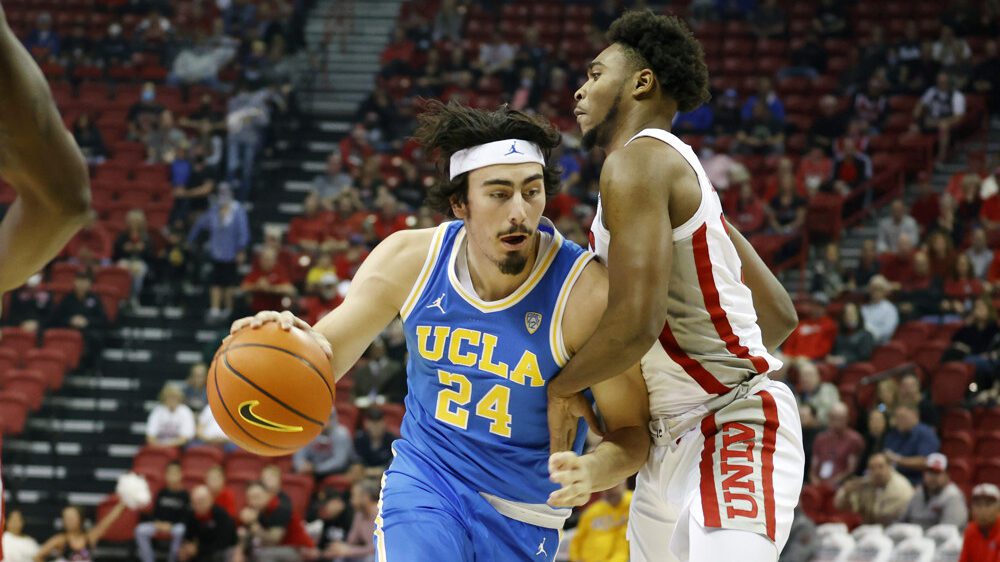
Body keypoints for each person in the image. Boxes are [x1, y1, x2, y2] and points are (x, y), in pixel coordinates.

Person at [230, 101, 652, 561]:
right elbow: (327, 349)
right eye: (498, 193)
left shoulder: (585, 295)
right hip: (427, 480)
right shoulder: (409, 261)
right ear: (459, 203)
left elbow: (631, 432)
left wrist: (593, 471)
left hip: (526, 513)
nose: (519, 212)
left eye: (531, 192)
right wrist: (288, 341)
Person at [548, 11, 803, 562]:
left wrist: (563, 385)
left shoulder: (636, 162)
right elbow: (779, 317)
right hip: (667, 446)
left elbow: (637, 321)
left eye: (595, 75)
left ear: (642, 82)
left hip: (728, 426)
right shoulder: (683, 179)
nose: (579, 89)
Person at [187, 185, 250, 320]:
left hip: (231, 253)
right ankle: (215, 308)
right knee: (216, 281)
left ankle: (228, 309)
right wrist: (190, 239)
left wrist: (241, 249)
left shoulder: (238, 210)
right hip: (217, 252)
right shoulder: (214, 210)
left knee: (229, 282)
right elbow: (200, 223)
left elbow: (243, 232)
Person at [233, 481, 314, 562]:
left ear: (268, 495)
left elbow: (273, 540)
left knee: (263, 555)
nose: (253, 502)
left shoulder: (280, 508)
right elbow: (244, 535)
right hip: (278, 548)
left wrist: (253, 524)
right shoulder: (257, 511)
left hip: (299, 549)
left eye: (257, 497)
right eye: (249, 498)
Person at [834, 453, 914, 525]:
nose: (877, 472)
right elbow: (841, 506)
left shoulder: (900, 487)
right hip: (872, 530)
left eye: (881, 467)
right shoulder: (866, 483)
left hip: (895, 529)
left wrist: (863, 510)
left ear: (890, 467)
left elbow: (882, 518)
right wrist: (848, 493)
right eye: (872, 468)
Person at [34, 502, 130, 561]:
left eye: (72, 518)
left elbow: (107, 521)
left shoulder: (90, 538)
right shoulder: (60, 540)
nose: (69, 521)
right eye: (66, 518)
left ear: (80, 519)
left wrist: (122, 504)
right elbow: (38, 557)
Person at [136, 462, 190, 562]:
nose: (172, 476)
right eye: (170, 473)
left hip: (175, 526)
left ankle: (172, 559)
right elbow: (155, 512)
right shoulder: (161, 492)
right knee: (140, 530)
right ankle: (148, 559)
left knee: (180, 530)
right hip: (159, 525)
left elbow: (186, 517)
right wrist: (157, 523)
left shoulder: (185, 495)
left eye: (175, 473)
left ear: (181, 474)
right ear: (165, 475)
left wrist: (171, 525)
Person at [901, 453, 968, 530]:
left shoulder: (953, 497)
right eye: (930, 472)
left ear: (947, 475)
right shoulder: (918, 492)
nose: (933, 477)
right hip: (911, 538)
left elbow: (947, 531)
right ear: (924, 474)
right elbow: (902, 521)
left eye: (937, 473)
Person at [568, 481, 631, 562]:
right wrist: (576, 559)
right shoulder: (592, 511)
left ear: (624, 484)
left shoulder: (632, 504)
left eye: (615, 487)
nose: (611, 491)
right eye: (607, 489)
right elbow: (576, 540)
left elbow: (622, 551)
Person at [320, 480, 380, 562]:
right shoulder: (359, 514)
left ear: (366, 497)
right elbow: (351, 540)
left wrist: (349, 550)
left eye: (354, 496)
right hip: (367, 553)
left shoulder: (381, 514)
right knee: (340, 558)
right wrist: (339, 548)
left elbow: (378, 547)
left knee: (370, 558)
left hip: (383, 556)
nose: (351, 500)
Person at [884, 403, 941, 485]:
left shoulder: (926, 434)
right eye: (896, 417)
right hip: (892, 479)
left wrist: (897, 459)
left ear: (915, 415)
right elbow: (885, 455)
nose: (898, 421)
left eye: (902, 417)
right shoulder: (894, 434)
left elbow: (925, 462)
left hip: (915, 483)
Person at [809, 402, 864, 488]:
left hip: (841, 484)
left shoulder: (854, 440)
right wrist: (814, 479)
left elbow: (851, 469)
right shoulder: (820, 439)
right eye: (833, 417)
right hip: (819, 482)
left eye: (840, 418)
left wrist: (835, 481)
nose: (836, 421)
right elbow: (814, 465)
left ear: (847, 419)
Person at [179, 485, 237, 562]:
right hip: (201, 549)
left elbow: (222, 543)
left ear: (210, 500)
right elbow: (187, 537)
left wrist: (198, 549)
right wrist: (186, 548)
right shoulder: (191, 514)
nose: (197, 506)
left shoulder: (221, 515)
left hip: (220, 550)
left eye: (201, 502)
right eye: (194, 502)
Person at [293, 410, 355, 481]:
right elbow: (299, 454)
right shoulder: (309, 431)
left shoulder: (341, 434)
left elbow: (339, 462)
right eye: (321, 418)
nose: (324, 423)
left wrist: (316, 468)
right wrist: (300, 465)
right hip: (311, 470)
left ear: (333, 419)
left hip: (334, 472)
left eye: (328, 418)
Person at [146, 383, 197, 448]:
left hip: (178, 447)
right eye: (169, 396)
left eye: (174, 397)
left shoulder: (185, 411)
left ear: (179, 398)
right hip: (158, 446)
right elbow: (150, 437)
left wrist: (166, 445)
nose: (172, 399)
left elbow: (184, 439)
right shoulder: (157, 411)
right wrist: (159, 445)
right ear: (163, 398)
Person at [959, 483, 1000, 562]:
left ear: (998, 508)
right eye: (978, 505)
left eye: (988, 505)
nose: (982, 510)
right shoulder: (970, 530)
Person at [353, 408, 396, 472]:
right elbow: (357, 461)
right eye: (372, 424)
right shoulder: (360, 439)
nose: (375, 427)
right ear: (366, 424)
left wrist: (382, 470)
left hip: (386, 475)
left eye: (378, 423)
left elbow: (394, 462)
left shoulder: (392, 440)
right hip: (364, 475)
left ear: (384, 423)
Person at [860, 275, 899, 345]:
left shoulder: (890, 309)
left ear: (885, 291)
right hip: (861, 341)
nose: (875, 292)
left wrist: (869, 330)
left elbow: (887, 331)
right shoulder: (864, 308)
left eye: (878, 289)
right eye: (873, 289)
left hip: (880, 344)